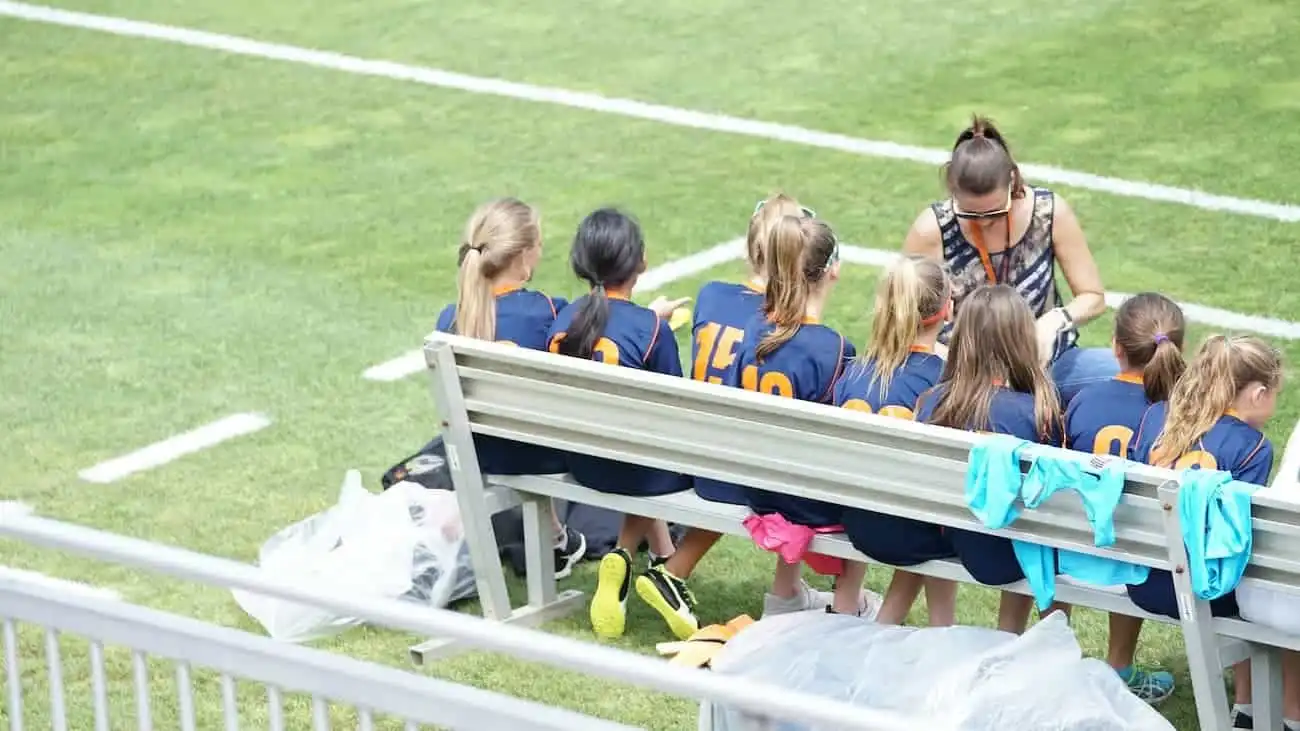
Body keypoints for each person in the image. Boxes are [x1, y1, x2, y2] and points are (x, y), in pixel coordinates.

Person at [637, 193, 833, 640]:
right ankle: (784, 593)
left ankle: (672, 568)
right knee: (791, 455)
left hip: (694, 448)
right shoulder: (780, 324)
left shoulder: (711, 295)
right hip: (742, 465)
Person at [1126, 335, 1290, 728]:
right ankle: (1251, 710)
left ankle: (1247, 707)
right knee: (1253, 584)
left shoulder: (1156, 419)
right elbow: (1236, 542)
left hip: (1144, 579)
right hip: (1203, 590)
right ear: (1258, 392)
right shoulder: (1252, 446)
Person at [545, 207, 690, 640]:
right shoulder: (649, 330)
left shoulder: (563, 319)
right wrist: (655, 324)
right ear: (639, 262)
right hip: (637, 473)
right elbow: (676, 407)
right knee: (648, 451)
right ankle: (630, 552)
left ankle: (649, 556)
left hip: (581, 461)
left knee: (633, 448)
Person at [902, 116, 1113, 405]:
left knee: (1126, 375)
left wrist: (1053, 322)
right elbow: (903, 317)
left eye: (995, 212)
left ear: (1013, 180)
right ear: (953, 190)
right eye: (971, 215)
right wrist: (955, 362)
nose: (985, 223)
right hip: (960, 375)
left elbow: (1093, 296)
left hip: (1045, 364)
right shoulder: (931, 229)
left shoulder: (1049, 212)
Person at [434, 198, 586, 579]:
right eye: (539, 244)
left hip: (481, 453)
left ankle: (555, 538)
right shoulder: (550, 310)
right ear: (522, 255)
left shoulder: (450, 318)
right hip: (540, 455)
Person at [733, 214, 875, 617]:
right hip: (806, 501)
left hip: (759, 488)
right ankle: (850, 604)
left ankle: (786, 594)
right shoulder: (834, 348)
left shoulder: (752, 331)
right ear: (832, 271)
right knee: (861, 481)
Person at [916, 284, 1068, 633]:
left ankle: (945, 628)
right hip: (1011, 554)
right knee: (1035, 526)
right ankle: (1010, 633)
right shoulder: (1038, 410)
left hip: (947, 537)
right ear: (1023, 339)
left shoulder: (932, 401)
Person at [1063, 292, 1186, 704]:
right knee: (1131, 529)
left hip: (1069, 549)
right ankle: (1120, 665)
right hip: (1139, 561)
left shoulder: (1080, 399)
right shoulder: (1178, 418)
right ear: (1177, 350)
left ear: (1116, 348)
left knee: (1105, 520)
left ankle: (1053, 659)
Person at [836, 254, 958, 627]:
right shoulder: (944, 380)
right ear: (945, 311)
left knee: (914, 506)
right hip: (910, 527)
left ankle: (885, 622)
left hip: (856, 521)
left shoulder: (854, 369)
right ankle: (942, 626)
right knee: (938, 509)